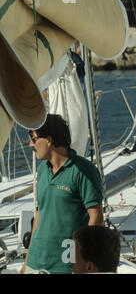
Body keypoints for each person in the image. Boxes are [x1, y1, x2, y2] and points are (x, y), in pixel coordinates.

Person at [20, 114, 104, 274]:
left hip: (65, 266)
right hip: (35, 262)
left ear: (49, 140)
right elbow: (40, 214)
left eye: (34, 138)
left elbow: (96, 218)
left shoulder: (83, 171)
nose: (30, 144)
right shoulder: (42, 170)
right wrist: (26, 262)